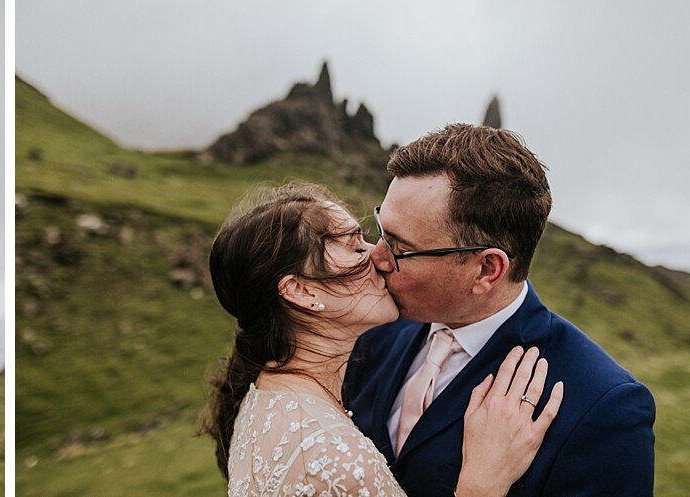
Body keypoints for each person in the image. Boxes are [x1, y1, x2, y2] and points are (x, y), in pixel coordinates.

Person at [344, 124, 656, 497]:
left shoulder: (603, 406)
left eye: (399, 247)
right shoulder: (371, 330)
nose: (375, 257)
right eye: (381, 230)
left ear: (487, 270)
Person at [203, 183, 565, 497]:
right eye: (354, 246)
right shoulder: (334, 459)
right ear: (300, 290)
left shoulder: (264, 396)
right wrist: (482, 485)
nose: (379, 255)